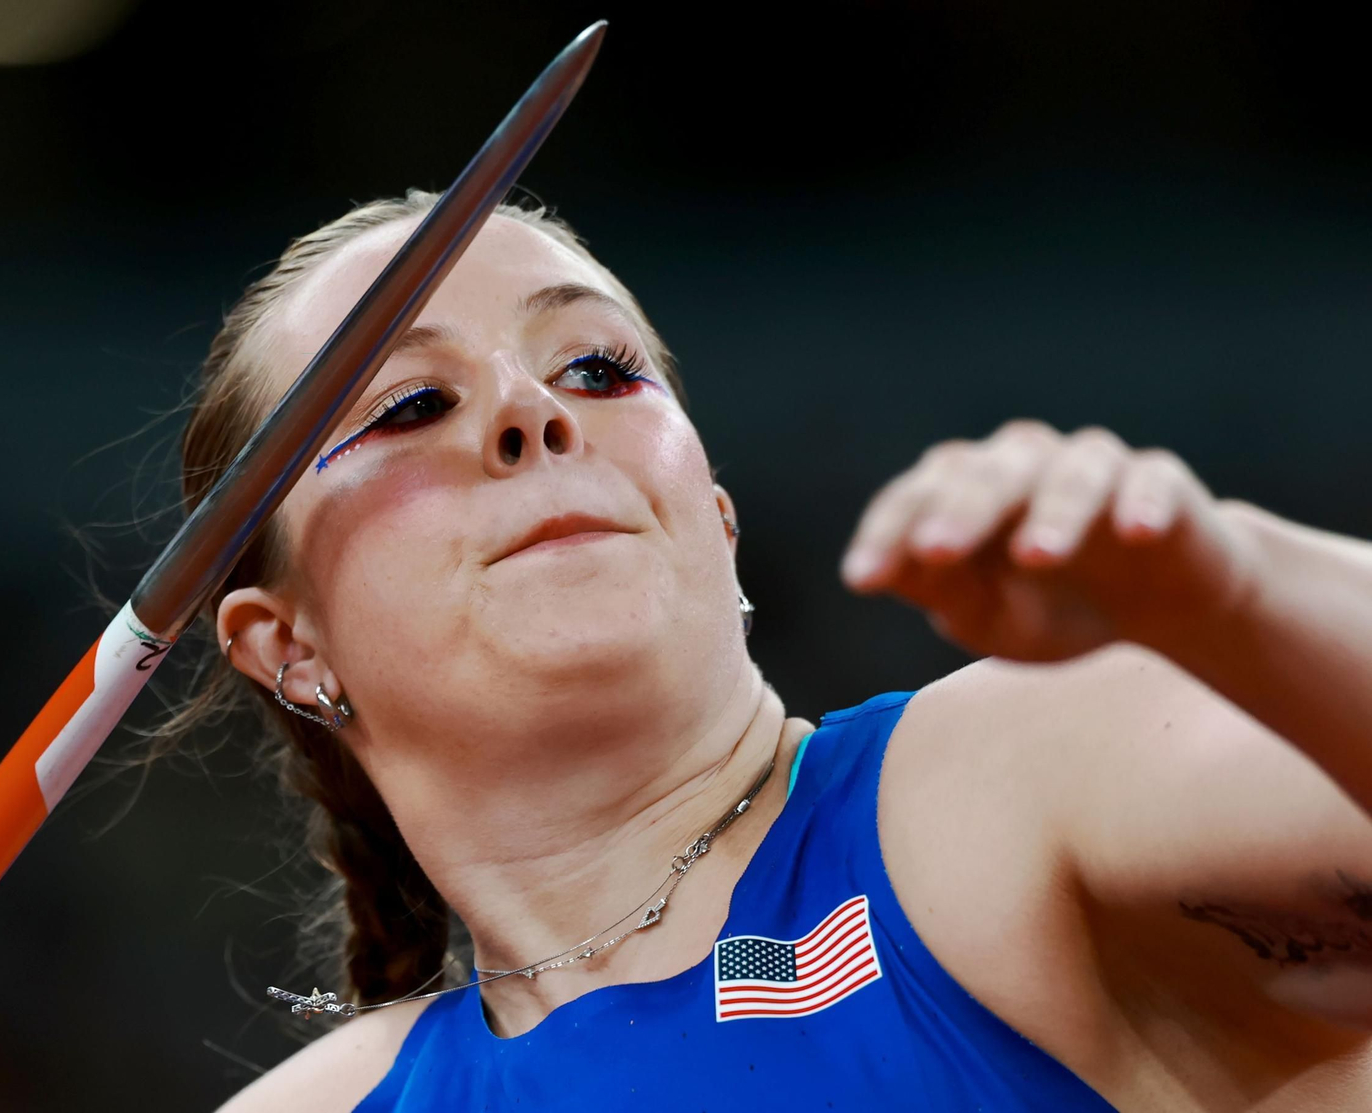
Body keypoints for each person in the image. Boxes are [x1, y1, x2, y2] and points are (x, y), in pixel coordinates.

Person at [173, 190, 1372, 1111]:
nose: (531, 412)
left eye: (597, 369)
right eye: (410, 405)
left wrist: (1236, 587)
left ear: (715, 520)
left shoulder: (997, 791)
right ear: (288, 645)